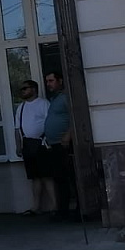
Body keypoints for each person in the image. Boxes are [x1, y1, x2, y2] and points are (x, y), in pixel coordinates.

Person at [14, 79, 55, 215]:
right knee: (34, 177)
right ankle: (35, 206)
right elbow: (17, 128)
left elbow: (50, 123)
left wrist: (48, 140)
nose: (22, 91)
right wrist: (18, 146)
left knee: (47, 176)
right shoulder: (21, 107)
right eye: (21, 89)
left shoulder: (43, 104)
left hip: (42, 143)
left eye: (25, 88)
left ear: (33, 89)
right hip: (27, 144)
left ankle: (55, 206)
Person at [44, 71, 75, 221]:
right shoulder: (54, 99)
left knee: (70, 178)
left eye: (51, 81)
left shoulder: (65, 97)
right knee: (59, 178)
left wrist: (69, 134)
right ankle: (63, 211)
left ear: (60, 81)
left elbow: (75, 116)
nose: (48, 84)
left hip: (65, 144)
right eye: (47, 81)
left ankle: (78, 210)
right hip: (54, 145)